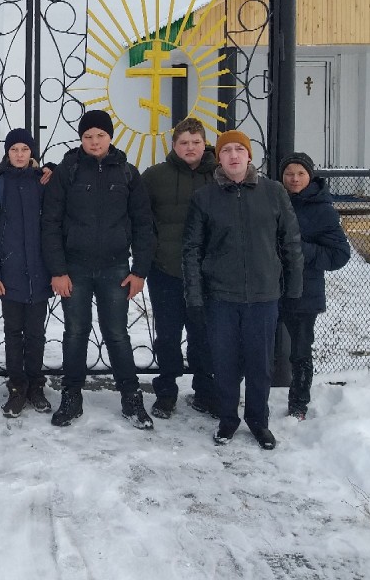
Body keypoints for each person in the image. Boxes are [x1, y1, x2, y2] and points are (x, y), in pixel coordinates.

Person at [182, 130, 303, 450]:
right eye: (227, 151)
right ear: (218, 158)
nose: (233, 155)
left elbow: (291, 243)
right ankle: (228, 419)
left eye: (239, 149)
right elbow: (192, 250)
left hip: (264, 296)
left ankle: (258, 421)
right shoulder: (205, 198)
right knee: (224, 363)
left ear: (249, 156)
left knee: (260, 364)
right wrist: (195, 296)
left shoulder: (273, 192)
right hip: (220, 297)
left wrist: (293, 291)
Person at [41, 110, 157, 429]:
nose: (94, 142)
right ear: (81, 139)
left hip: (115, 267)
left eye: (100, 135)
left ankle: (131, 397)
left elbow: (143, 224)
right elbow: (50, 223)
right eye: (88, 136)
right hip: (74, 268)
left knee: (117, 334)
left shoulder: (127, 173)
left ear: (110, 137)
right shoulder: (68, 171)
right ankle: (71, 396)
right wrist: (58, 270)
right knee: (75, 333)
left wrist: (140, 271)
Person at [141, 117, 219, 420]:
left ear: (204, 144)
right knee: (168, 335)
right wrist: (152, 252)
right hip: (166, 269)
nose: (190, 148)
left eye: (196, 142)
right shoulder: (155, 176)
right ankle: (166, 392)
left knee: (204, 334)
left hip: (207, 272)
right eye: (184, 142)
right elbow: (141, 217)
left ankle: (205, 391)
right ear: (174, 145)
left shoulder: (219, 175)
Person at [0, 128, 54, 418]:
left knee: (36, 334)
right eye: (14, 150)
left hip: (40, 273)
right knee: (13, 333)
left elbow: (54, 225)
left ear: (32, 152)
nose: (19, 155)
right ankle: (17, 387)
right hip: (9, 275)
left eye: (24, 149)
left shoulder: (44, 183)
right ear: (7, 153)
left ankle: (35, 386)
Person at [278, 152, 350, 420]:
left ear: (310, 176)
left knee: (300, 351)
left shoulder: (322, 210)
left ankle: (298, 403)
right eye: (289, 174)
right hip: (269, 288)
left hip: (304, 292)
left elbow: (339, 255)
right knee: (257, 346)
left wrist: (300, 250)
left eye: (300, 174)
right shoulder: (273, 201)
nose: (294, 179)